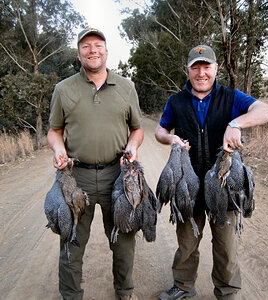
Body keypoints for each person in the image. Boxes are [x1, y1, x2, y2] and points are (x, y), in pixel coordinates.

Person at [155, 45, 268, 300]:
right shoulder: (175, 101)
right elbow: (160, 131)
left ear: (215, 69)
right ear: (188, 70)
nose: (201, 73)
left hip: (223, 183)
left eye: (206, 67)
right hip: (189, 182)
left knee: (226, 245)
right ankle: (184, 286)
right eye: (195, 67)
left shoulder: (231, 97)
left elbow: (267, 111)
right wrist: (171, 140)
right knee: (186, 242)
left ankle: (227, 292)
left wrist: (236, 123)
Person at [47, 27, 143, 300]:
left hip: (118, 174)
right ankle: (70, 295)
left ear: (106, 51)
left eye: (97, 45)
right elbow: (54, 130)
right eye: (86, 46)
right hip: (77, 177)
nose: (93, 50)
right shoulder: (63, 89)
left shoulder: (127, 87)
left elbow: (137, 129)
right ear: (79, 54)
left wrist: (133, 146)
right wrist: (58, 148)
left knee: (123, 240)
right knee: (71, 241)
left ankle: (124, 291)